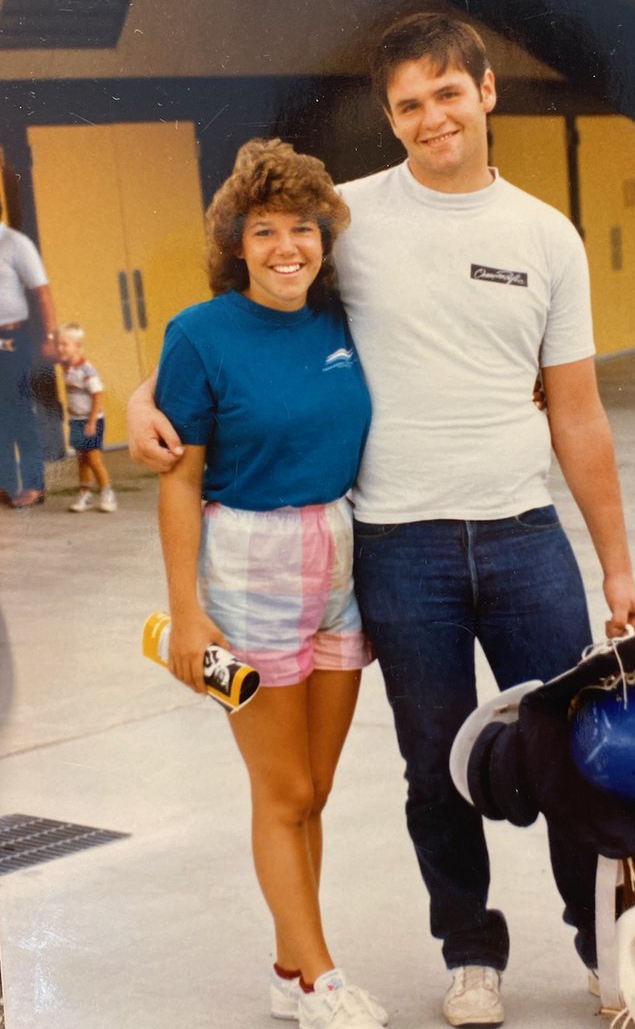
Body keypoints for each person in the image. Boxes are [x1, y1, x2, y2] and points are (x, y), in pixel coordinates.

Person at [129, 13, 635, 1028]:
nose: (430, 118)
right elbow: (238, 316)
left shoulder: (547, 236)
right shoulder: (344, 221)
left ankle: (602, 947)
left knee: (575, 750)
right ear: (389, 116)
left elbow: (578, 414)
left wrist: (618, 565)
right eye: (408, 104)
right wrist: (147, 401)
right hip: (397, 547)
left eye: (447, 94)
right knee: (437, 764)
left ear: (486, 92)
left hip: (523, 535)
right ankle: (470, 956)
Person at [153, 139, 386, 1029]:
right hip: (245, 571)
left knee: (313, 792)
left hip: (338, 556)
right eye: (264, 231)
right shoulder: (198, 333)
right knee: (281, 793)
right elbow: (178, 476)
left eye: (302, 229)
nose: (286, 247)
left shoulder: (341, 321)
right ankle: (323, 981)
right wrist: (186, 615)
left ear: (324, 239)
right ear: (236, 245)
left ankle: (292, 969)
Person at [0, 216, 58, 509]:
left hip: (12, 338)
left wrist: (49, 337)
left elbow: (41, 291)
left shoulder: (15, 243)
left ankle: (34, 485)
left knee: (20, 409)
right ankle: (5, 485)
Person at [55, 322, 117, 513]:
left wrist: (91, 422)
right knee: (82, 459)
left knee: (94, 459)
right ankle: (85, 493)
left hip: (91, 421)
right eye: (59, 344)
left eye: (65, 344)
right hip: (76, 420)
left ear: (78, 346)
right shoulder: (66, 367)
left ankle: (107, 493)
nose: (60, 348)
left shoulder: (87, 370)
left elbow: (98, 395)